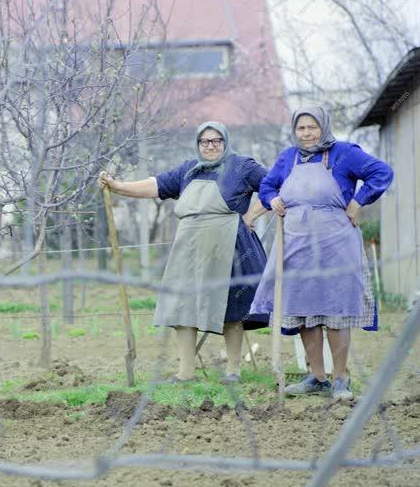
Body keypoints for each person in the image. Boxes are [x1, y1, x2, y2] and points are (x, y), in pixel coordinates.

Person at [98, 121, 270, 384]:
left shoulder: (242, 166)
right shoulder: (188, 170)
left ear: (225, 142)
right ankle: (185, 373)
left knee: (231, 310)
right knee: (183, 308)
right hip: (189, 248)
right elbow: (155, 185)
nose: (210, 146)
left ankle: (233, 371)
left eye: (216, 141)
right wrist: (117, 185)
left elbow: (273, 186)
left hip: (231, 248)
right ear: (198, 144)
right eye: (205, 141)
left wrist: (252, 213)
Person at [250, 104, 394, 400]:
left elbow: (382, 172)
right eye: (301, 128)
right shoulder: (288, 158)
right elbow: (267, 185)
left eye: (312, 127)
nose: (306, 133)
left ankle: (340, 379)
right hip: (296, 244)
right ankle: (317, 377)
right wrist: (272, 198)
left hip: (336, 244)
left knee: (336, 310)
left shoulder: (344, 153)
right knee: (304, 311)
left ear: (323, 127)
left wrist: (358, 202)